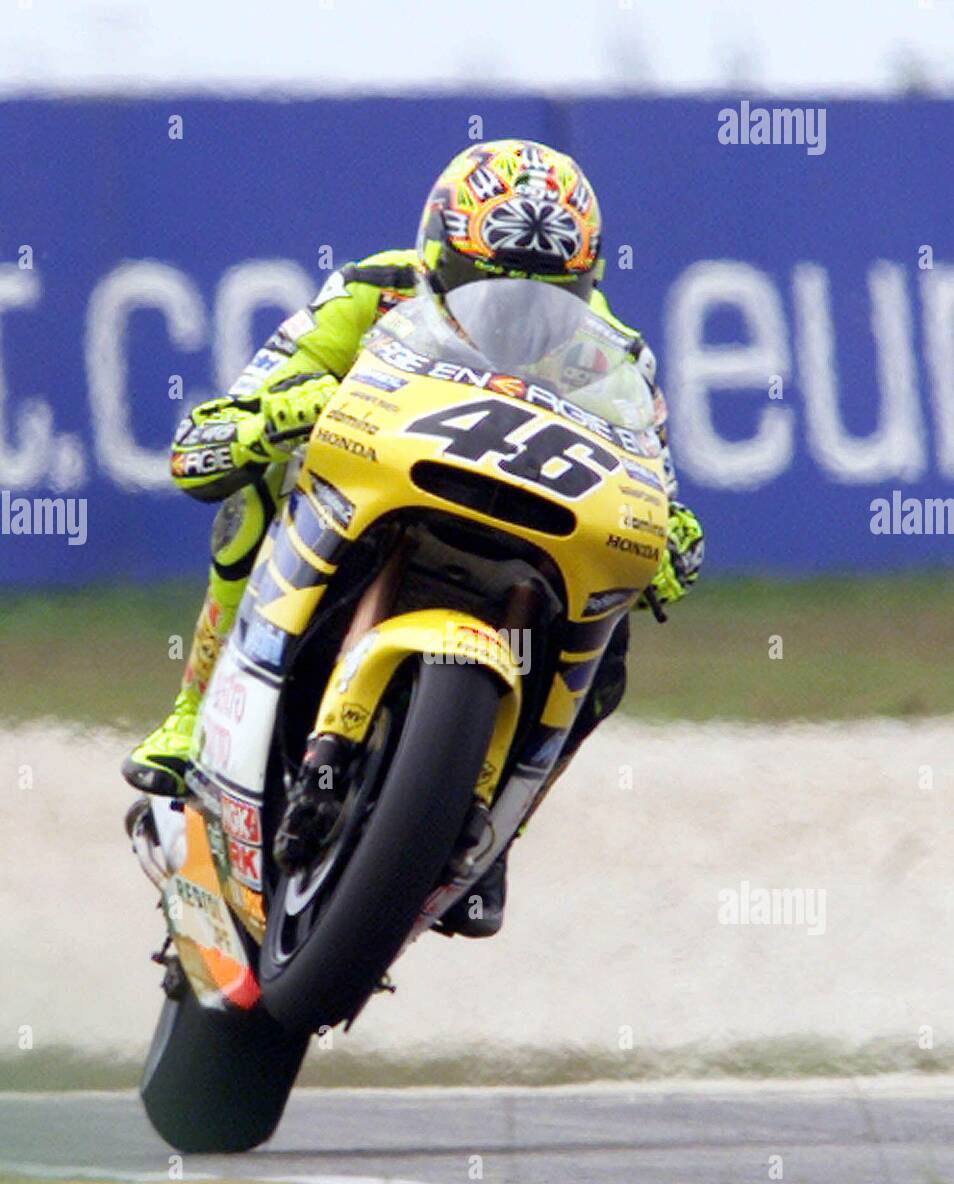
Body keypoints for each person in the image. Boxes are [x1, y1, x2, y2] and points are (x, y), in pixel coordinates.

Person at [122, 138, 704, 935]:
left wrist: (671, 531)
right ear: (436, 259)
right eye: (485, 288)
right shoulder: (372, 288)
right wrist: (272, 418)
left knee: (609, 647)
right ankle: (192, 712)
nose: (515, 316)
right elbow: (200, 449)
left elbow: (652, 473)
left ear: (584, 286)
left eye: (547, 300)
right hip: (376, 498)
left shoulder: (615, 350)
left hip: (519, 532)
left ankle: (497, 836)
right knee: (254, 493)